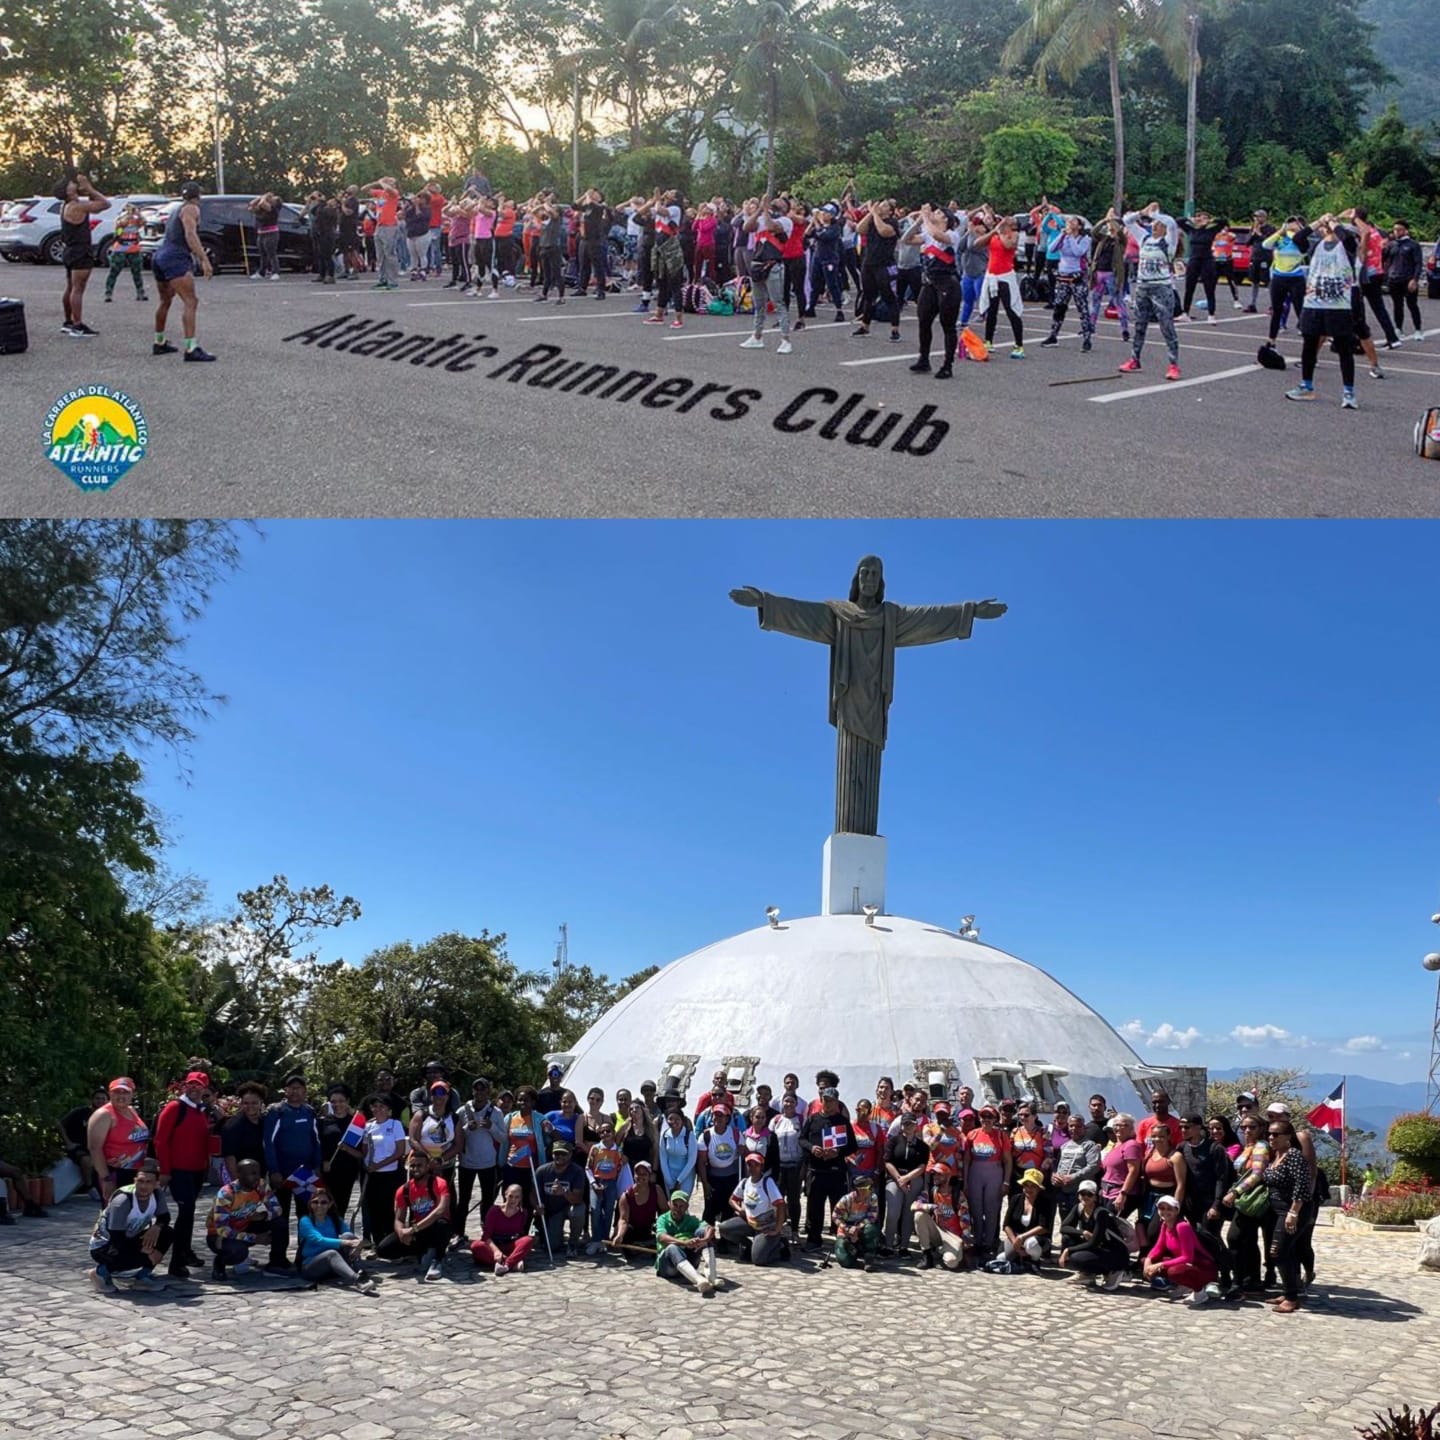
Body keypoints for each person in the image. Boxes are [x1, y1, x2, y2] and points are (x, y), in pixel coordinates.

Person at [1284, 213, 1360, 409]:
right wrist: (1317, 221)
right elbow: (1299, 237)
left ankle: (1349, 392)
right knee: (1309, 345)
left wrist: (1334, 222)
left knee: (1344, 349)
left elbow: (1349, 239)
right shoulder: (1314, 246)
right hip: (1313, 303)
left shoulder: (1346, 246)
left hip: (1339, 305)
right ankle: (1306, 386)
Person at [154, 1068, 216, 1279]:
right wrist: (165, 1170)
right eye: (191, 1084)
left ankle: (186, 1251)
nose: (194, 1088)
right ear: (185, 1086)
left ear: (204, 1089)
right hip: (179, 1171)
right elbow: (160, 1140)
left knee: (188, 1214)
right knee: (185, 1212)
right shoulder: (174, 1108)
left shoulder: (201, 1110)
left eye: (198, 1085)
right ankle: (176, 1262)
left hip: (197, 1170)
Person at [262, 1072, 322, 1273]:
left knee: (306, 1216)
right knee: (280, 1217)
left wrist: (317, 1166)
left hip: (305, 1175)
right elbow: (268, 1143)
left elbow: (316, 1141)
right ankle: (277, 1259)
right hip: (282, 1175)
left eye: (299, 1088)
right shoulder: (277, 1112)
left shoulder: (309, 1112)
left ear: (305, 1091)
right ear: (285, 1091)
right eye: (291, 1088)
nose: (295, 1091)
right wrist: (274, 1170)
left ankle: (304, 1256)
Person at [150, 182, 217, 361]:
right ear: (199, 195)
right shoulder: (191, 209)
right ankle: (190, 349)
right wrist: (204, 259)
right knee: (191, 301)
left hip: (160, 255)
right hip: (175, 258)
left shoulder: (176, 208)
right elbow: (190, 234)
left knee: (165, 301)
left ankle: (159, 342)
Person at [1118, 203, 1181, 380]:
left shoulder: (1168, 242)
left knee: (1166, 325)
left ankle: (1173, 364)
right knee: (1139, 325)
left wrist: (1155, 214)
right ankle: (1134, 359)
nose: (1154, 226)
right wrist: (1142, 213)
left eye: (1157, 224)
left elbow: (1172, 223)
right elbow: (1127, 221)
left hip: (1161, 287)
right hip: (1143, 286)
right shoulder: (1144, 239)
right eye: (1152, 224)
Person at [89, 1159, 172, 1291]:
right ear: (135, 1181)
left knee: (167, 1232)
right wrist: (148, 1251)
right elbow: (116, 1238)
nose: (143, 1186)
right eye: (140, 1181)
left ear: (157, 1184)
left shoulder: (157, 1194)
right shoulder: (123, 1201)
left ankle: (143, 1277)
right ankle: (100, 1273)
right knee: (135, 1255)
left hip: (127, 1237)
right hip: (105, 1245)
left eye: (148, 1182)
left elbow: (165, 1217)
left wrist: (156, 1227)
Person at [378, 1152, 452, 1279]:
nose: (416, 1169)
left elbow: (441, 1210)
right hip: (417, 1230)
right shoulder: (404, 1190)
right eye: (412, 1166)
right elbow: (399, 1218)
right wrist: (401, 1232)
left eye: (419, 1165)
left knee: (442, 1225)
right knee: (383, 1249)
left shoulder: (439, 1183)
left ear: (428, 1166)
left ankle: (437, 1260)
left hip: (434, 1227)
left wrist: (413, 1229)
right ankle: (423, 1251)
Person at [909, 204, 963, 378]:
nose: (934, 213)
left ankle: (948, 365)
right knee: (924, 321)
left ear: (946, 219)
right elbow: (905, 239)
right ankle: (923, 359)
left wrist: (925, 217)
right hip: (930, 283)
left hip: (948, 284)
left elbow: (937, 235)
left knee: (948, 325)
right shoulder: (926, 234)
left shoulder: (952, 234)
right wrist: (918, 221)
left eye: (938, 213)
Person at [205, 1158, 281, 1279]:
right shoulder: (227, 1194)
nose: (256, 1177)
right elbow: (223, 1230)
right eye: (252, 1173)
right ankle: (220, 1262)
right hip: (219, 1236)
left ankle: (278, 1262)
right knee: (238, 1252)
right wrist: (254, 1238)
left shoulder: (260, 1186)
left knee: (280, 1223)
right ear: (239, 1175)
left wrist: (264, 1215)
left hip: (245, 1226)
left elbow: (277, 1209)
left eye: (258, 1173)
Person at [1221, 1114, 1270, 1297]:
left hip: (1250, 1199)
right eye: (1244, 1128)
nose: (1247, 1131)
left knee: (1235, 1238)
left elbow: (1257, 1173)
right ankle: (1251, 1280)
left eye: (1252, 1127)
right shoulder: (1248, 1147)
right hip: (1245, 1199)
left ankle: (1240, 1280)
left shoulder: (1260, 1147)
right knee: (1247, 1240)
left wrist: (1235, 1192)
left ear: (1261, 1128)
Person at [738, 194, 794, 353]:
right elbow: (746, 227)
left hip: (773, 265)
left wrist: (765, 211)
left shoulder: (785, 221)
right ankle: (757, 336)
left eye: (781, 203)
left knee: (778, 303)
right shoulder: (763, 217)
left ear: (786, 209)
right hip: (757, 264)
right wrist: (759, 211)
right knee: (759, 304)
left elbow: (771, 227)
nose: (776, 202)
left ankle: (785, 339)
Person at [800, 1087, 854, 1250]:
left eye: (831, 1100)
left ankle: (841, 1240)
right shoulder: (813, 1119)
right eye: (825, 1099)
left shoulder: (842, 1121)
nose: (827, 1103)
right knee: (815, 1207)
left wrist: (838, 1152)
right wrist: (812, 1148)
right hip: (816, 1170)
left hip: (836, 1171)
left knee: (839, 1208)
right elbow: (802, 1139)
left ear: (836, 1102)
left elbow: (852, 1145)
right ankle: (814, 1239)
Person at [55, 172, 107, 337]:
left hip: (70, 250)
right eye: (71, 184)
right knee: (78, 289)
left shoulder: (67, 205)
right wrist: (89, 188)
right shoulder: (77, 206)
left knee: (71, 287)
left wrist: (85, 191)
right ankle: (77, 325)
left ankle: (68, 322)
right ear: (67, 191)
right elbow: (105, 204)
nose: (74, 185)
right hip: (80, 251)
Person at [1143, 1194, 1218, 1303]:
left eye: (1169, 1209)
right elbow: (1159, 1247)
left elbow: (1188, 1257)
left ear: (1177, 1211)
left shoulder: (1182, 1226)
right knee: (1148, 1261)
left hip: (1203, 1267)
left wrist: (1160, 1265)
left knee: (1174, 1271)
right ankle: (1185, 1285)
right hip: (1188, 1266)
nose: (1165, 1212)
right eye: (1162, 1208)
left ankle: (1199, 1292)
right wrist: (1148, 1261)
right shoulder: (1165, 1225)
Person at [456, 1078, 506, 1241]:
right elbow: (454, 1135)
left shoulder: (496, 1113)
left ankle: (487, 1231)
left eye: (483, 1089)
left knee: (488, 1199)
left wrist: (491, 1127)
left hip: (488, 1163)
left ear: (488, 1091)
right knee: (463, 1199)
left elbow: (503, 1138)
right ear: (473, 1091)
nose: (480, 1093)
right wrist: (466, 1129)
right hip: (467, 1162)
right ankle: (459, 1232)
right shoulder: (463, 1111)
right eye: (476, 1090)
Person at [716, 1150, 788, 1264]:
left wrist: (777, 1229)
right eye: (749, 1165)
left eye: (756, 1165)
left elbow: (780, 1204)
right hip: (750, 1223)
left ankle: (779, 1245)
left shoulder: (767, 1182)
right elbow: (732, 1200)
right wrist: (740, 1210)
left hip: (766, 1227)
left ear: (761, 1166)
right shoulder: (745, 1182)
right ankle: (749, 1245)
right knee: (724, 1228)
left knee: (758, 1260)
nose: (752, 1168)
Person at [297, 1188, 375, 1292]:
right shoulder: (305, 1221)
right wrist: (348, 1243)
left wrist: (358, 1247)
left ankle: (361, 1272)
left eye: (323, 1202)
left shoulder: (335, 1220)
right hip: (311, 1267)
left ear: (330, 1204)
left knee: (348, 1235)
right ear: (310, 1204)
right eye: (315, 1202)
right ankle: (358, 1280)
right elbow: (318, 1240)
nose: (319, 1205)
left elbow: (352, 1238)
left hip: (332, 1266)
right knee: (331, 1253)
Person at [1058, 1180, 1130, 1289]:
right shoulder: (1079, 1208)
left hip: (1116, 1253)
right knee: (1067, 1239)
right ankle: (1088, 1274)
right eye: (1082, 1194)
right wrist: (1082, 1232)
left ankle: (1114, 1271)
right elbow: (1064, 1227)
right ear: (1078, 1195)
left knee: (1076, 1258)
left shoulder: (1101, 1213)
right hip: (1100, 1247)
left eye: (1089, 1194)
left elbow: (1094, 1242)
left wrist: (1069, 1250)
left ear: (1095, 1197)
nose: (1085, 1197)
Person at [359, 1093, 408, 1252]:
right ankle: (377, 1243)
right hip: (372, 1175)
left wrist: (380, 1164)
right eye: (375, 1106)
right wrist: (367, 1165)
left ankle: (392, 1243)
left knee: (389, 1209)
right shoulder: (368, 1126)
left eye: (382, 1106)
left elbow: (399, 1151)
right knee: (374, 1210)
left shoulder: (395, 1125)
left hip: (390, 1174)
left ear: (389, 1110)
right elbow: (365, 1150)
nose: (378, 1109)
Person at [975, 209, 1025, 358]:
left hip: (1005, 277)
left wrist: (1002, 231)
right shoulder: (994, 234)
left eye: (1010, 220)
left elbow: (1008, 246)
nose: (1006, 219)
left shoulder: (1013, 235)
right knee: (991, 310)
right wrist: (993, 232)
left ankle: (1019, 345)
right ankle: (988, 341)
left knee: (1011, 310)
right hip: (992, 276)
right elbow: (977, 243)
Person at [963, 1105, 1011, 1257]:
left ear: (995, 1119)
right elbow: (966, 1160)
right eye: (983, 1116)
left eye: (990, 1117)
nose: (986, 1120)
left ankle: (988, 1243)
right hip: (975, 1172)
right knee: (976, 1210)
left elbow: (1008, 1161)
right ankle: (977, 1241)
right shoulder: (972, 1134)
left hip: (994, 1173)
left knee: (992, 1210)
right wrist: (965, 1180)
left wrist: (1006, 1182)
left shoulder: (1001, 1136)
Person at [852, 199, 901, 345]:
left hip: (885, 265)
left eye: (884, 205)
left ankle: (895, 329)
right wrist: (870, 214)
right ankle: (865, 326)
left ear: (891, 211)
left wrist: (875, 214)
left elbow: (884, 232)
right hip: (869, 263)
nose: (880, 206)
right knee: (868, 296)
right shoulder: (872, 220)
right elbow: (859, 229)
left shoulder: (892, 223)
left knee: (889, 296)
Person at [1041, 215, 1094, 350]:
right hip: (1063, 276)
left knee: (1082, 308)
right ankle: (1053, 336)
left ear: (1079, 226)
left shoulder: (1084, 239)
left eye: (1073, 221)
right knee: (1059, 307)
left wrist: (1070, 238)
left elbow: (1078, 252)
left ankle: (1087, 338)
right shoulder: (1063, 237)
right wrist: (1062, 236)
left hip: (1077, 277)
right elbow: (1051, 248)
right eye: (1068, 221)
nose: (1069, 223)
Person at [883, 1110, 929, 1254]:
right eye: (906, 1123)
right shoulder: (893, 1141)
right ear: (901, 1125)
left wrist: (907, 1178)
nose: (909, 1126)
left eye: (912, 1124)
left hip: (914, 1179)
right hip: (895, 1179)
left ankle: (904, 1246)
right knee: (893, 1212)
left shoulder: (922, 1146)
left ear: (916, 1126)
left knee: (909, 1214)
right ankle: (888, 1244)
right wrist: (899, 1178)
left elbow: (922, 1166)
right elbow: (888, 1161)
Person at [656, 1188, 717, 1294]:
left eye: (681, 1206)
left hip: (689, 1260)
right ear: (669, 1204)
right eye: (675, 1205)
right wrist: (684, 1243)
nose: (677, 1209)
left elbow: (709, 1228)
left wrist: (704, 1240)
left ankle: (712, 1277)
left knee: (703, 1233)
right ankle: (699, 1280)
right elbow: (662, 1237)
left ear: (687, 1207)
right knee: (672, 1247)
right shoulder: (663, 1219)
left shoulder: (690, 1220)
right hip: (667, 1267)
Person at [316, 1085, 362, 1221]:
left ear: (347, 1101)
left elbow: (362, 1153)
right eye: (333, 1101)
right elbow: (318, 1145)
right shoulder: (323, 1121)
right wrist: (322, 1161)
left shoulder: (356, 1123)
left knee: (340, 1208)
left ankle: (337, 1238)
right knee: (325, 1208)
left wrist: (347, 1149)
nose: (337, 1104)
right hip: (327, 1171)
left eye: (341, 1101)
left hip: (348, 1171)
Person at [912, 1169, 972, 1270]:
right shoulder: (931, 1191)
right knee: (919, 1215)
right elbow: (914, 1205)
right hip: (938, 1232)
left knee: (951, 1262)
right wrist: (931, 1207)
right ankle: (927, 1256)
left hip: (953, 1237)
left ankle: (941, 1254)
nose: (935, 1177)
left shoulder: (958, 1195)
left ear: (948, 1177)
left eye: (939, 1175)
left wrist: (966, 1240)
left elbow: (965, 1218)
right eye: (934, 1174)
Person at [535, 1141, 587, 1256]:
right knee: (552, 1246)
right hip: (553, 1211)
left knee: (578, 1211)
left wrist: (563, 1193)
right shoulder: (542, 1171)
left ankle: (573, 1243)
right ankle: (556, 1236)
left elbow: (578, 1199)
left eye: (564, 1154)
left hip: (570, 1206)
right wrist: (537, 1206)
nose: (560, 1157)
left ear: (570, 1155)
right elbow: (533, 1194)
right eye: (557, 1154)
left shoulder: (577, 1171)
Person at [470, 1183, 536, 1273]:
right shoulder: (494, 1211)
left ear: (520, 1198)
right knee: (476, 1246)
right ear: (505, 1195)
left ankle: (507, 1265)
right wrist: (496, 1251)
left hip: (510, 1244)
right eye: (511, 1196)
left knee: (528, 1240)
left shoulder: (522, 1213)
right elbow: (486, 1236)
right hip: (494, 1245)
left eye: (517, 1197)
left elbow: (520, 1234)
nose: (513, 1200)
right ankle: (511, 1262)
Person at [696, 1104, 744, 1227]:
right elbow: (701, 1162)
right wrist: (705, 1183)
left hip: (731, 1177)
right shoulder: (705, 1136)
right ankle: (707, 1237)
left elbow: (743, 1155)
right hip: (713, 1177)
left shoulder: (735, 1134)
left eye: (721, 1115)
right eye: (715, 1115)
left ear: (727, 1118)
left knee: (728, 1208)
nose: (718, 1118)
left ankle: (726, 1238)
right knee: (710, 1209)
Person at [502, 1087, 547, 1206]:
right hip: (512, 1165)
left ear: (533, 1102)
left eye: (526, 1100)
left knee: (527, 1201)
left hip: (530, 1167)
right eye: (520, 1100)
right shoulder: (510, 1118)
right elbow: (503, 1140)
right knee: (510, 1200)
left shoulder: (539, 1118)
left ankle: (525, 1225)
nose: (522, 1103)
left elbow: (551, 1135)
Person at [1051, 1114, 1102, 1218]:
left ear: (1084, 1127)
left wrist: (1072, 1177)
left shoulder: (1090, 1145)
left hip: (1080, 1193)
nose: (1074, 1129)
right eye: (1071, 1126)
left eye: (1078, 1126)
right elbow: (1057, 1164)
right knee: (1065, 1221)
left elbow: (1093, 1166)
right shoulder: (1065, 1146)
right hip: (1063, 1190)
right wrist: (1054, 1176)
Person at [769, 1092, 806, 1237]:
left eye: (791, 1102)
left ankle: (795, 1230)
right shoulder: (776, 1120)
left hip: (794, 1166)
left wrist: (803, 1167)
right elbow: (771, 1142)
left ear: (796, 1104)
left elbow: (804, 1142)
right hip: (779, 1166)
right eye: (786, 1101)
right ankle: (778, 1228)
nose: (788, 1104)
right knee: (778, 1199)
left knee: (794, 1200)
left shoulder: (801, 1120)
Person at [585, 1118, 624, 1253]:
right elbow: (588, 1168)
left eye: (608, 1131)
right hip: (596, 1182)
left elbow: (619, 1168)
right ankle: (595, 1240)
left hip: (611, 1183)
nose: (605, 1134)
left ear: (613, 1133)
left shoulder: (617, 1151)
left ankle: (604, 1240)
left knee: (608, 1211)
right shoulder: (595, 1149)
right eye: (602, 1132)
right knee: (595, 1210)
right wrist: (594, 1183)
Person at [61, 1088, 107, 1200]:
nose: (100, 1101)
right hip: (78, 1147)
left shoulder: (108, 1115)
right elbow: (60, 1124)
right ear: (92, 1100)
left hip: (98, 1148)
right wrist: (68, 1142)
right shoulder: (80, 1112)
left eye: (103, 1099)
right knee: (87, 1161)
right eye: (97, 1098)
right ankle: (89, 1187)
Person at [1383, 219, 1425, 342]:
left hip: (1408, 279)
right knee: (1397, 305)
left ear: (1405, 230)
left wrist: (1415, 279)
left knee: (1412, 305)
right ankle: (1398, 328)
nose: (1396, 232)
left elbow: (1418, 263)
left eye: (1399, 229)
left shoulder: (1413, 245)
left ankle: (1418, 329)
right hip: (1394, 279)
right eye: (1395, 229)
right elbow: (1384, 259)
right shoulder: (1392, 245)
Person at [1178, 210, 1223, 323]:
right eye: (1199, 217)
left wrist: (1210, 221)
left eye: (1203, 217)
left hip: (1207, 260)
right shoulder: (1192, 230)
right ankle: (1185, 312)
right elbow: (1179, 221)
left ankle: (1211, 314)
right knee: (1189, 287)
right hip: (1194, 259)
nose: (1201, 219)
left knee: (1209, 287)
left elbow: (1223, 222)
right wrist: (1191, 219)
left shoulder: (1211, 230)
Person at [833, 1171, 881, 1270]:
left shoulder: (873, 1198)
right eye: (868, 1188)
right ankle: (853, 1253)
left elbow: (872, 1217)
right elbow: (836, 1216)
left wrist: (857, 1228)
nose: (871, 1190)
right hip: (846, 1228)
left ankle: (869, 1257)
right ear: (860, 1190)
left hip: (862, 1227)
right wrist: (846, 1229)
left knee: (871, 1228)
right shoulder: (846, 1200)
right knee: (844, 1260)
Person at [221, 1082, 268, 1182]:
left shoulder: (265, 1122)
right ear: (241, 1103)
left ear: (261, 1102)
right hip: (241, 1178)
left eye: (254, 1103)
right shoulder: (232, 1126)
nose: (250, 1106)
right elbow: (229, 1157)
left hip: (261, 1177)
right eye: (246, 1103)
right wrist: (237, 1183)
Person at [1100, 1112, 1143, 1218]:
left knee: (1111, 1225)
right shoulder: (1116, 1145)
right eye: (1116, 1125)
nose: (1118, 1128)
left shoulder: (1131, 1145)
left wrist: (1123, 1194)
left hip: (1120, 1193)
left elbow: (1133, 1171)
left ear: (1131, 1128)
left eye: (1123, 1125)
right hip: (1107, 1192)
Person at [103, 203, 148, 303]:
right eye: (129, 210)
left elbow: (144, 222)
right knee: (114, 271)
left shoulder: (137, 220)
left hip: (134, 247)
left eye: (132, 210)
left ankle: (140, 292)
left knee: (137, 272)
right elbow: (118, 232)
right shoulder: (121, 220)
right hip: (121, 247)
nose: (131, 213)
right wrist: (125, 220)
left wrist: (138, 214)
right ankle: (108, 293)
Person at [613, 1159, 661, 1252]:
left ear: (649, 1176)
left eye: (644, 1174)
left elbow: (664, 1211)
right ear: (634, 1176)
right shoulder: (626, 1195)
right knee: (627, 1233)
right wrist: (620, 1235)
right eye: (638, 1174)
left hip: (649, 1228)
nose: (641, 1177)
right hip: (632, 1229)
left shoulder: (657, 1190)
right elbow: (623, 1219)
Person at [365, 176, 401, 290]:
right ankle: (383, 278)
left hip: (390, 225)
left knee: (389, 253)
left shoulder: (394, 193)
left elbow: (389, 189)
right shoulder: (380, 193)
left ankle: (393, 280)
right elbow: (364, 189)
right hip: (379, 225)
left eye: (391, 181)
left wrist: (383, 182)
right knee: (380, 255)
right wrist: (376, 182)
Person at [246, 192, 283, 279]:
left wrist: (264, 197)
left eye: (274, 198)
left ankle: (276, 272)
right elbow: (251, 206)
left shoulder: (273, 209)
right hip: (261, 233)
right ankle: (261, 272)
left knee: (271, 253)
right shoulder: (261, 209)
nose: (272, 199)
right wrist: (259, 197)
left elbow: (263, 203)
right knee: (262, 254)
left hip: (271, 233)